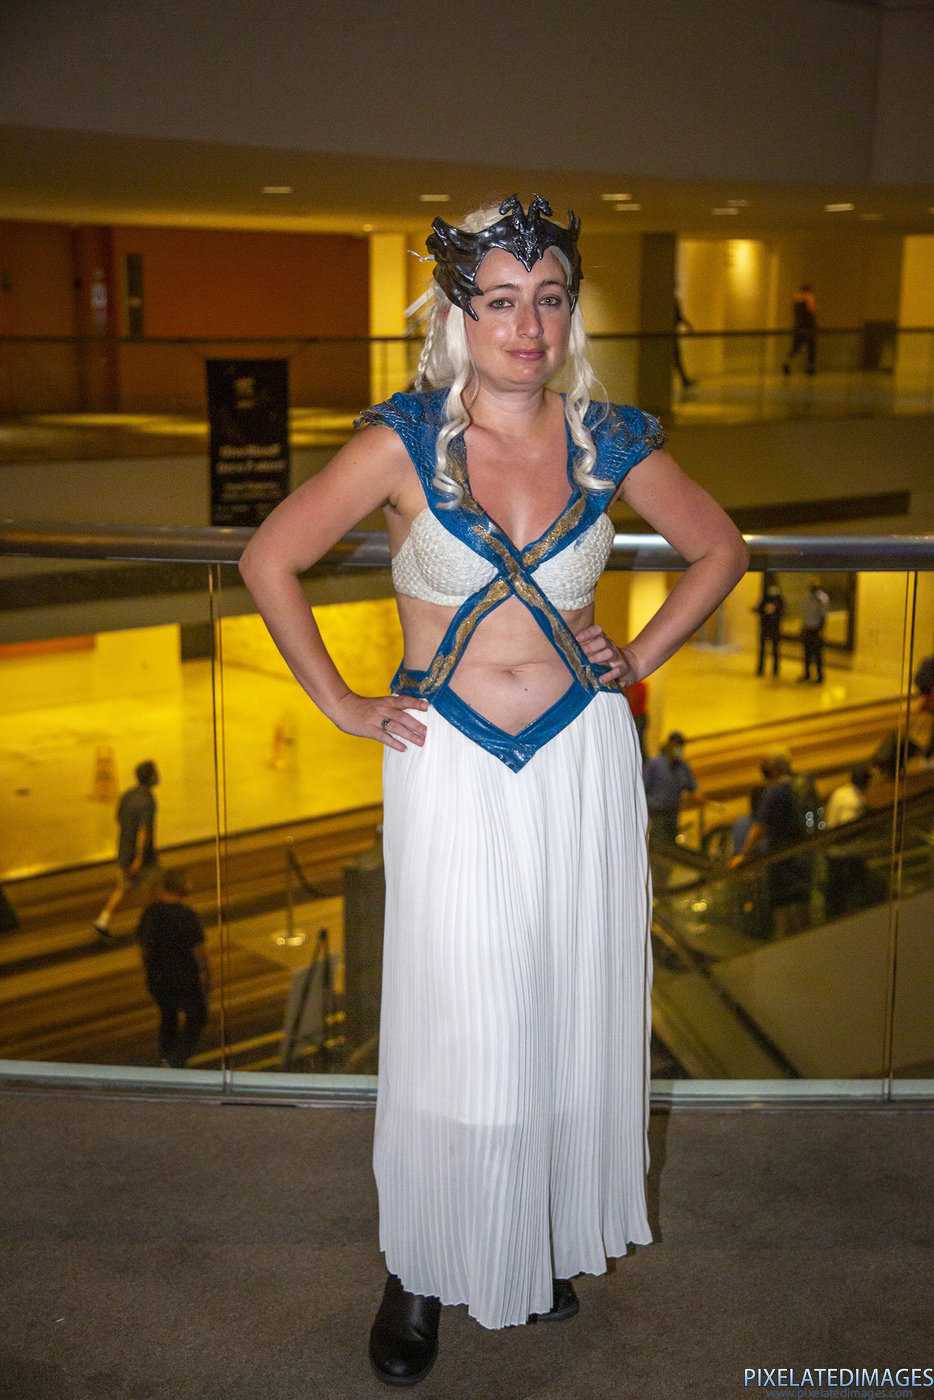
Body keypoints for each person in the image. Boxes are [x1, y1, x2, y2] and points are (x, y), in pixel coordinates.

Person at [238, 194, 747, 1382]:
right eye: (503, 300)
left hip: (580, 755)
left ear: (571, 312)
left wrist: (641, 654)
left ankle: (535, 1231)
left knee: (563, 1000)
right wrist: (340, 699)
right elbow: (269, 557)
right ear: (458, 314)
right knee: (458, 1016)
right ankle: (419, 1264)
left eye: (549, 298)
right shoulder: (403, 440)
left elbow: (719, 548)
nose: (529, 325)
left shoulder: (609, 438)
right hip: (450, 758)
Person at [730, 750, 812, 937]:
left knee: (782, 908)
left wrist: (744, 854)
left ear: (775, 768)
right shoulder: (804, 781)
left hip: (781, 858)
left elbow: (760, 827)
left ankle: (786, 944)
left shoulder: (775, 791)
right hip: (804, 853)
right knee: (803, 904)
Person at [135, 868, 210, 1067]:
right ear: (179, 887)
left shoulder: (150, 912)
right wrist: (206, 974)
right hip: (185, 976)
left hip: (159, 976)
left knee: (168, 1016)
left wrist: (148, 972)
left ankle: (166, 1056)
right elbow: (198, 950)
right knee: (197, 1015)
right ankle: (178, 1058)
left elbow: (143, 947)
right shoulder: (187, 915)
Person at [93, 759, 160, 938]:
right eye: (156, 773)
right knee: (155, 885)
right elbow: (143, 831)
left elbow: (118, 818)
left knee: (124, 888)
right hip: (142, 855)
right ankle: (153, 924)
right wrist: (139, 857)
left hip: (124, 851)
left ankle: (102, 921)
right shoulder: (148, 800)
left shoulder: (128, 795)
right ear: (151, 777)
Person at [824, 764, 873, 920]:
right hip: (846, 856)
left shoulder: (840, 792)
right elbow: (848, 827)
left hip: (833, 854)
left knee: (835, 897)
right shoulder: (853, 801)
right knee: (849, 897)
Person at [643, 731, 705, 845]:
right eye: (676, 746)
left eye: (680, 747)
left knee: (670, 844)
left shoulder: (683, 767)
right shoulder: (655, 764)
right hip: (656, 813)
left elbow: (692, 788)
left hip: (673, 813)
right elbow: (644, 788)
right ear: (669, 745)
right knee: (659, 843)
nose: (678, 750)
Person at [798, 577, 830, 684]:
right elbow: (805, 614)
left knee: (817, 654)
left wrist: (821, 629)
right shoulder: (808, 597)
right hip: (807, 627)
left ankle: (820, 676)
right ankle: (807, 674)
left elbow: (824, 615)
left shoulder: (822, 598)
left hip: (816, 629)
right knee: (806, 653)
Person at [782, 283, 817, 376]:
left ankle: (787, 363)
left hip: (798, 326)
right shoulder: (809, 296)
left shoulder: (796, 297)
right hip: (808, 327)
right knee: (811, 347)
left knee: (795, 347)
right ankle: (810, 367)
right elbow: (811, 309)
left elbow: (793, 311)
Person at [753, 575, 784, 677]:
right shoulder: (766, 598)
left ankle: (774, 670)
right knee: (765, 649)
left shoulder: (778, 599)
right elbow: (759, 609)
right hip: (767, 626)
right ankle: (763, 669)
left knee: (774, 650)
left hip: (773, 627)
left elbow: (782, 611)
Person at [624, 676, 649, 762]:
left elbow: (632, 700)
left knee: (638, 742)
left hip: (638, 717)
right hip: (632, 716)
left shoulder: (640, 686)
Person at [673, 294, 696, 389]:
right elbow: (679, 317)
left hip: (671, 334)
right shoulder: (672, 300)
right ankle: (684, 380)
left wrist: (687, 325)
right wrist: (688, 325)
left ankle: (684, 380)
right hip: (669, 334)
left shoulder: (673, 300)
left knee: (676, 357)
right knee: (676, 357)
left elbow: (679, 317)